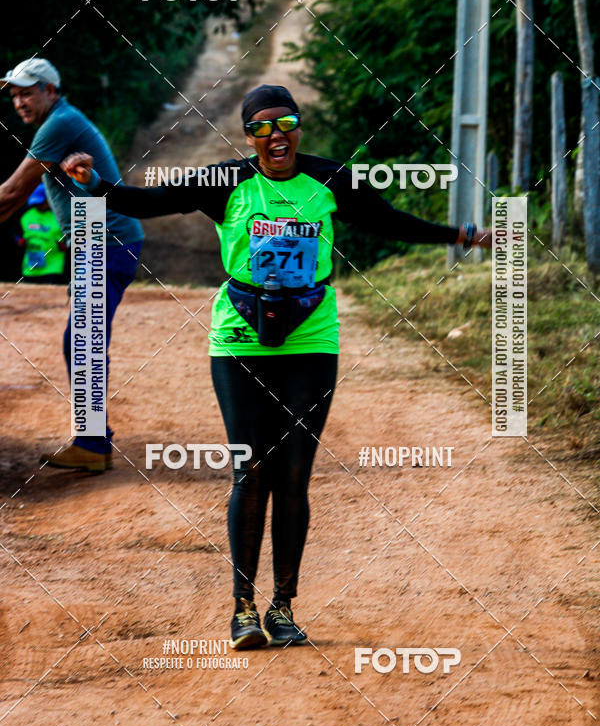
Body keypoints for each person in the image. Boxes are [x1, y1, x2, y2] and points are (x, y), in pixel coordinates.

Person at [60, 83, 491, 647]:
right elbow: (145, 202)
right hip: (239, 340)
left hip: (311, 339)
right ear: (248, 137)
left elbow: (390, 221)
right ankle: (242, 608)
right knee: (251, 471)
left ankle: (282, 607)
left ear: (298, 126)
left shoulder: (331, 179)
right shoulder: (227, 183)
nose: (275, 136)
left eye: (284, 122)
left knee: (293, 476)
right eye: (260, 128)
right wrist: (91, 184)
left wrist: (462, 236)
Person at [0, 57, 144, 473]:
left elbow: (12, 194)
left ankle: (93, 445)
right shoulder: (60, 120)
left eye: (27, 91)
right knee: (82, 340)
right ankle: (92, 441)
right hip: (98, 242)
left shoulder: (59, 123)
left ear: (50, 90)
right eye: (14, 95)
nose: (20, 102)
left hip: (107, 242)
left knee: (81, 341)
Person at [18, 183, 66, 284]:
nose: (39, 205)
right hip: (30, 267)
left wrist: (65, 245)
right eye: (36, 202)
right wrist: (20, 241)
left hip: (52, 268)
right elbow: (16, 233)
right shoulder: (27, 215)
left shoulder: (59, 215)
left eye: (41, 202)